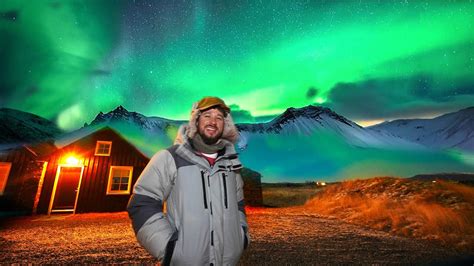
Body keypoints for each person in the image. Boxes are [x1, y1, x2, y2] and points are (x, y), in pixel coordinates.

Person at [127, 96, 249, 266]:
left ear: (225, 124)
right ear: (196, 120)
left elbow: (238, 204)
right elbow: (142, 203)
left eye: (219, 117)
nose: (213, 121)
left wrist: (241, 235)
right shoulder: (170, 158)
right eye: (207, 115)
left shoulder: (230, 165)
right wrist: (169, 249)